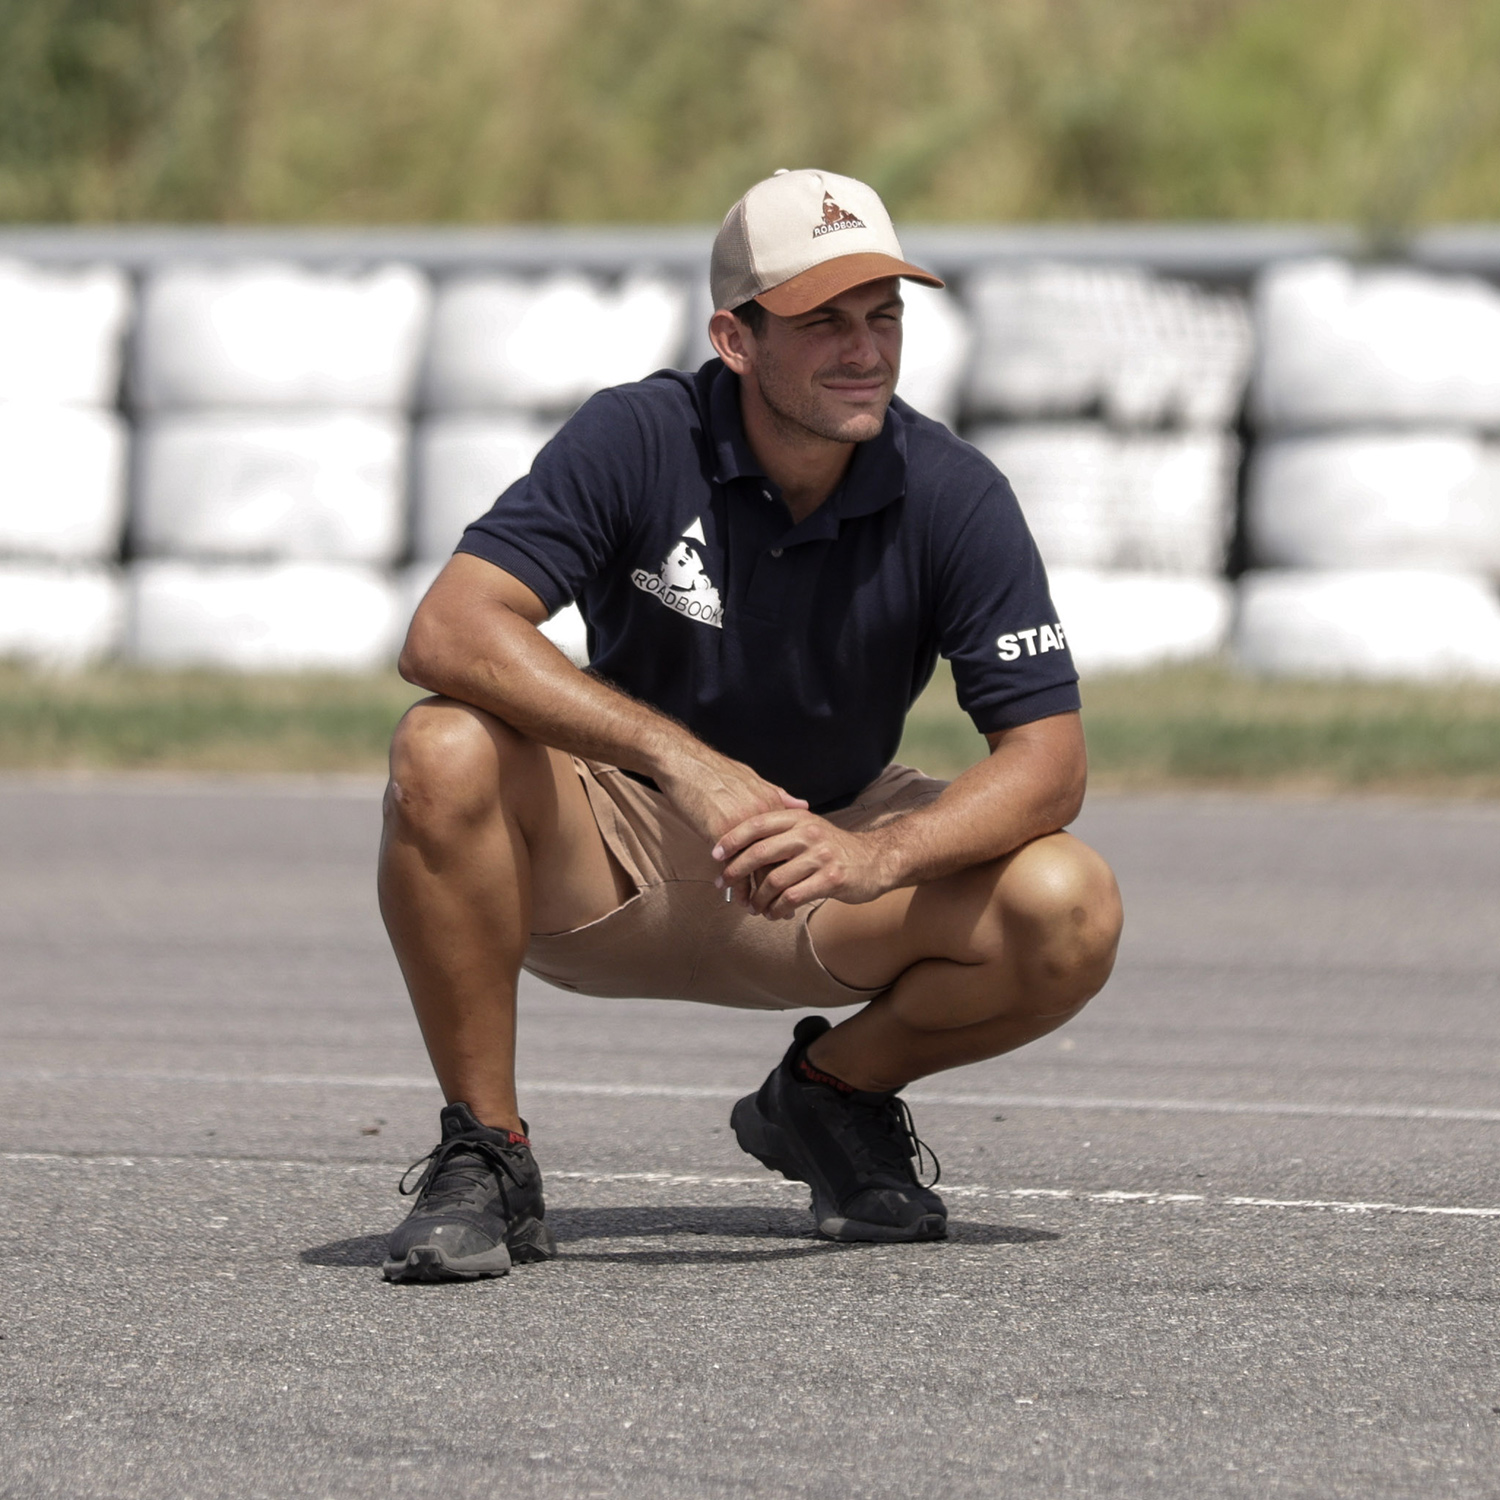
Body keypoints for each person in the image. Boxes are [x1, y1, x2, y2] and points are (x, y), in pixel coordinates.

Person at [377, 168, 1124, 1282]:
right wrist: (684, 761)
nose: (864, 352)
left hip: (826, 867)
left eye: (883, 317)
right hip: (611, 851)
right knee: (439, 746)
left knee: (1070, 902)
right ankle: (488, 1152)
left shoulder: (955, 491)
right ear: (735, 338)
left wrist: (876, 855)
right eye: (823, 322)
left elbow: (1050, 763)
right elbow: (448, 629)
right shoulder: (638, 435)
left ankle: (829, 1096)